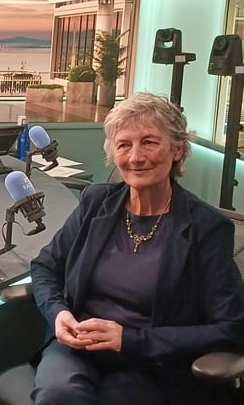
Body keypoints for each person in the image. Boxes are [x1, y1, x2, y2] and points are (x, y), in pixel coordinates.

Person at [29, 92, 244, 405]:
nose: (135, 157)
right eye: (124, 145)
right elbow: (45, 267)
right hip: (79, 346)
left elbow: (232, 327)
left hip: (150, 362)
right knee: (58, 395)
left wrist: (130, 340)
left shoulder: (206, 228)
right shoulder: (96, 202)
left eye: (149, 142)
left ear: (178, 149)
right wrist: (58, 313)